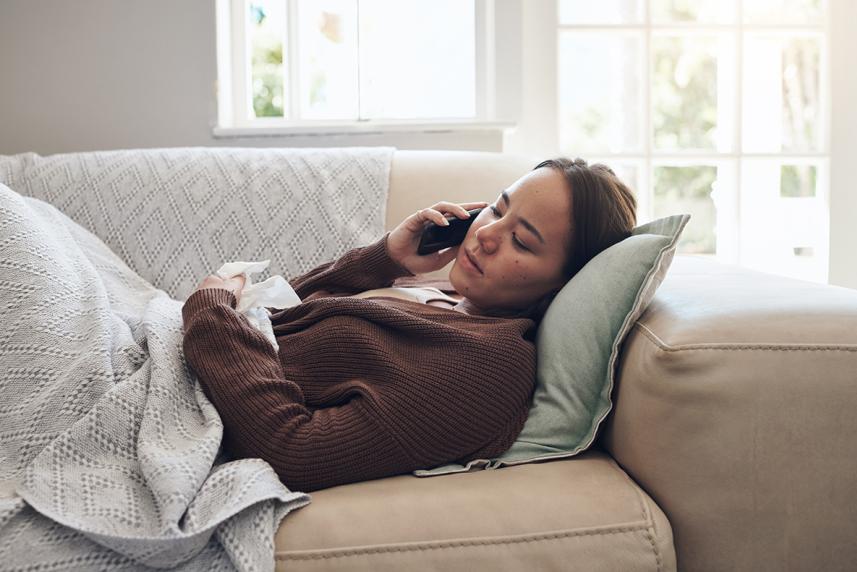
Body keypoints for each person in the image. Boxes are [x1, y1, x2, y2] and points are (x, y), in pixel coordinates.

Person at [182, 157, 637, 492]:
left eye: (520, 240)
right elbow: (278, 317)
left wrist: (210, 309)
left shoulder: (488, 367)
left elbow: (293, 452)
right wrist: (385, 259)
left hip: (184, 394)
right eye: (498, 210)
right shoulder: (449, 297)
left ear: (562, 286)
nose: (485, 234)